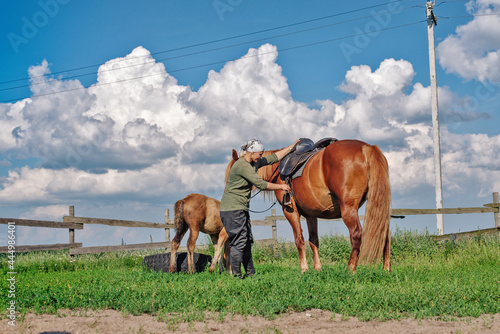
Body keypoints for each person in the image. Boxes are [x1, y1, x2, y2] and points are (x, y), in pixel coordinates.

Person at [220, 138, 299, 279]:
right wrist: (281, 186)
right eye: (260, 154)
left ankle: (250, 274)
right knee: (239, 241)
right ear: (251, 152)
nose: (261, 157)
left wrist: (290, 148)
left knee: (247, 240)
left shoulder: (253, 162)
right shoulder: (242, 165)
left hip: (240, 208)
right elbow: (260, 184)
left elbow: (273, 158)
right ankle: (236, 276)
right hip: (232, 209)